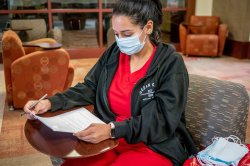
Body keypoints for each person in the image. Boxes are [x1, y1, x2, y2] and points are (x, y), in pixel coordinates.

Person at [23, 0, 197, 165]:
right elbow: (90, 87)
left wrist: (112, 129)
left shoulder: (171, 63)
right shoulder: (114, 53)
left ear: (148, 27)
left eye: (127, 34)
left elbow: (162, 120)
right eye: (116, 34)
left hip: (153, 146)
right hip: (109, 140)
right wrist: (50, 102)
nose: (120, 40)